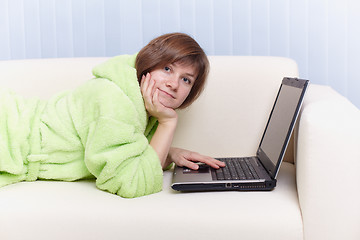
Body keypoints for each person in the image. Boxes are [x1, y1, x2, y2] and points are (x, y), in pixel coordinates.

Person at [0, 33, 224, 198]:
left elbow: (127, 151)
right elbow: (132, 182)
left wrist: (170, 154)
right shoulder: (115, 98)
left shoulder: (141, 104)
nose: (173, 84)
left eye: (186, 80)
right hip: (8, 132)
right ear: (149, 63)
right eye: (167, 69)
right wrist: (168, 123)